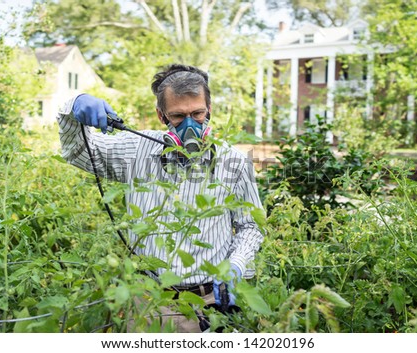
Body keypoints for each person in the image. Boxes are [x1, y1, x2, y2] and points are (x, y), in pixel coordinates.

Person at [56, 63, 264, 332]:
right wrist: (74, 106)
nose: (190, 125)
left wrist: (235, 265)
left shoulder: (233, 161)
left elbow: (251, 226)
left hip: (211, 303)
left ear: (209, 110)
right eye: (178, 116)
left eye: (197, 113)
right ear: (161, 115)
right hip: (148, 303)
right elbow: (78, 153)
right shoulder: (136, 149)